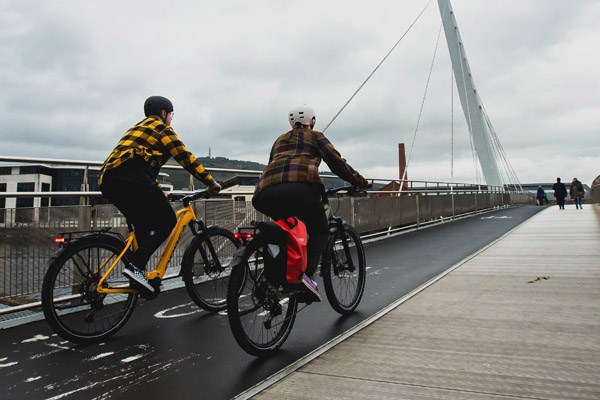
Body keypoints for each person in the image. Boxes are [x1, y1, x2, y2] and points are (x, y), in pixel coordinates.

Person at [99, 96, 221, 295]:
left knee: (145, 226)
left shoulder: (137, 128)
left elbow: (141, 162)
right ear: (163, 113)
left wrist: (154, 189)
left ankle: (139, 279)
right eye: (171, 115)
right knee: (166, 221)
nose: (171, 119)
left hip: (108, 179)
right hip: (131, 177)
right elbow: (184, 156)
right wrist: (210, 181)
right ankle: (135, 268)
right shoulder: (161, 128)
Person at [252, 103, 370, 302]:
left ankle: (276, 278)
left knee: (285, 231)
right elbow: (336, 163)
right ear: (312, 122)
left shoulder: (279, 140)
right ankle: (303, 281)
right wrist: (359, 182)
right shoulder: (316, 136)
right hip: (300, 190)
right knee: (320, 230)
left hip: (265, 193)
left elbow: (275, 163)